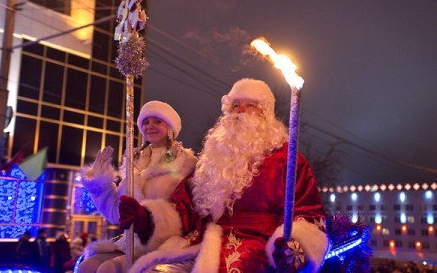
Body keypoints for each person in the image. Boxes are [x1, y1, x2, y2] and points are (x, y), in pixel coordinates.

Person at [119, 78, 329, 272]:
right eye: (235, 105)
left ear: (265, 114)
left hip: (258, 244)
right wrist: (147, 218)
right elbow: (184, 206)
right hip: (201, 240)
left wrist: (293, 246)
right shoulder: (213, 156)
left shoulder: (286, 157)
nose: (240, 111)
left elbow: (306, 212)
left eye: (250, 105)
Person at [78, 100, 198, 272]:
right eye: (145, 122)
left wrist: (146, 217)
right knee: (86, 266)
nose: (150, 126)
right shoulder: (133, 162)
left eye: (157, 121)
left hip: (165, 242)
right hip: (130, 242)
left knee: (108, 269)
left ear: (171, 127)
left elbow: (187, 213)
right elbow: (116, 213)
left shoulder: (186, 162)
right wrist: (99, 183)